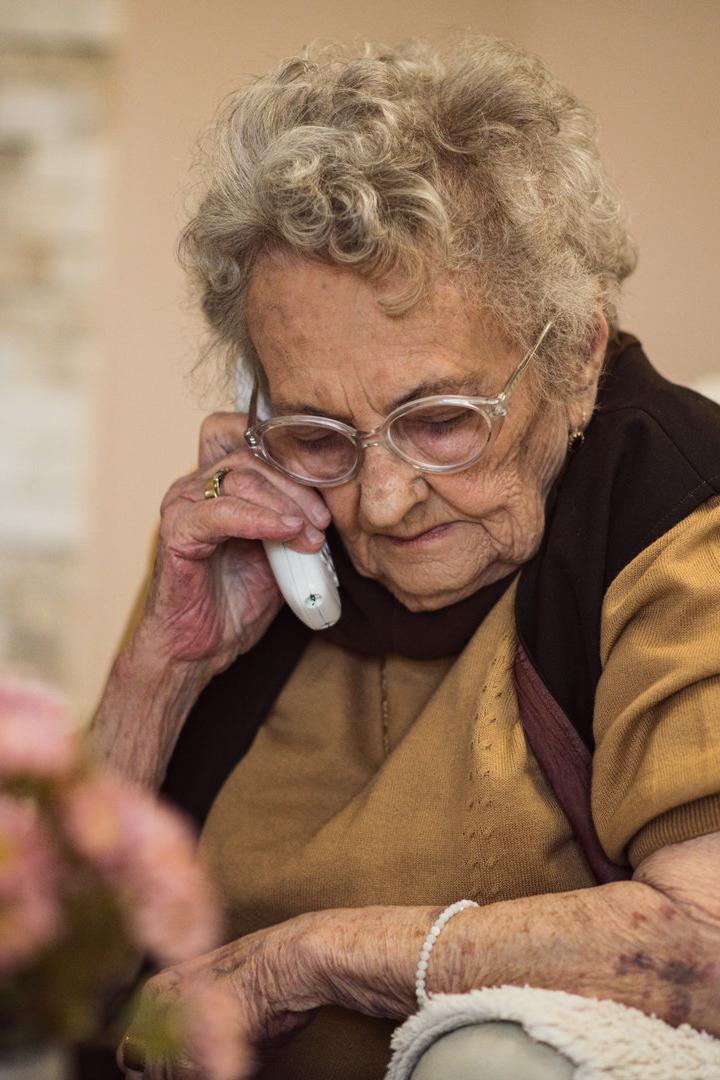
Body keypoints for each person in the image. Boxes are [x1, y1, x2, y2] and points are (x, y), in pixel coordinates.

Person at [90, 34, 720, 1079]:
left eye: (440, 420)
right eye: (317, 430)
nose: (378, 500)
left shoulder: (676, 520)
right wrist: (163, 670)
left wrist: (302, 963)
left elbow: (705, 941)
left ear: (574, 357)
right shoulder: (257, 535)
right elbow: (38, 958)